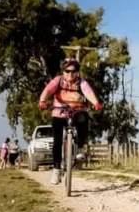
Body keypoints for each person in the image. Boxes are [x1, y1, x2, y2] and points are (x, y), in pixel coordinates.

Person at [38, 57, 103, 185]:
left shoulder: (81, 82)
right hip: (59, 111)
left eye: (73, 71)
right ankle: (56, 169)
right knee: (57, 140)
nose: (70, 74)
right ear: (63, 71)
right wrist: (42, 101)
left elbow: (88, 92)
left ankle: (79, 148)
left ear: (77, 72)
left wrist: (95, 103)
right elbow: (48, 90)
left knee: (83, 118)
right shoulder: (58, 81)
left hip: (77, 110)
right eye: (67, 71)